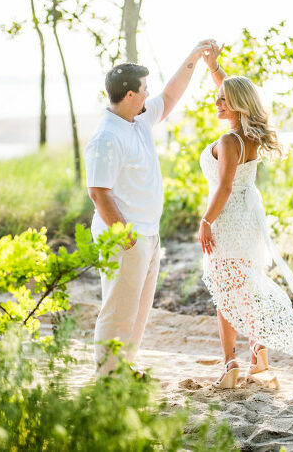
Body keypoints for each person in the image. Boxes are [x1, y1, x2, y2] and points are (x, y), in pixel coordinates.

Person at [86, 40, 213, 376]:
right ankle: (109, 379)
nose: (148, 94)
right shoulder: (105, 138)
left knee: (138, 311)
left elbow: (170, 97)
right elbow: (99, 192)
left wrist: (192, 59)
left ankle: (123, 368)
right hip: (125, 238)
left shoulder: (139, 120)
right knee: (117, 311)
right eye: (144, 89)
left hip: (148, 235)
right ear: (129, 95)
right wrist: (125, 235)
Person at [197, 42, 293, 389]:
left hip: (228, 219)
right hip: (249, 220)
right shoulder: (252, 135)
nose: (217, 102)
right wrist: (215, 67)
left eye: (223, 100)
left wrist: (205, 221)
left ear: (237, 105)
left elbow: (224, 188)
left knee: (227, 295)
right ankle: (258, 356)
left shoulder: (230, 140)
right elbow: (233, 90)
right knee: (245, 289)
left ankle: (230, 366)